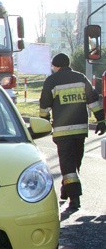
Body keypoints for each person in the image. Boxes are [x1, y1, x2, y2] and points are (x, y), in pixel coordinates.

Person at [39, 53, 105, 212]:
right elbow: (93, 100)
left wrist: (43, 123)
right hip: (80, 130)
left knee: (68, 166)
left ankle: (74, 198)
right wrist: (101, 119)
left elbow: (44, 106)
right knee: (75, 163)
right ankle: (67, 189)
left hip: (62, 132)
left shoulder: (52, 81)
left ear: (56, 66)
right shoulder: (81, 78)